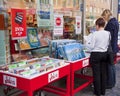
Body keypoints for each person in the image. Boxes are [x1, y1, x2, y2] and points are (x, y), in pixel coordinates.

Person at [86, 17, 110, 96]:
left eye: (96, 25)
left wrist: (87, 44)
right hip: (104, 54)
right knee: (103, 73)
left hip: (96, 55)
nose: (95, 27)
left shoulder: (95, 34)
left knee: (96, 74)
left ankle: (98, 92)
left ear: (98, 25)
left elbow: (92, 46)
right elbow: (107, 44)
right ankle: (103, 91)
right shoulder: (108, 33)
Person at [101, 9, 119, 89]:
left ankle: (109, 83)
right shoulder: (115, 22)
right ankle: (113, 82)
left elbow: (107, 37)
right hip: (114, 47)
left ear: (107, 15)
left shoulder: (110, 24)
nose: (104, 19)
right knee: (112, 66)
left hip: (110, 49)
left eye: (104, 17)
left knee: (109, 66)